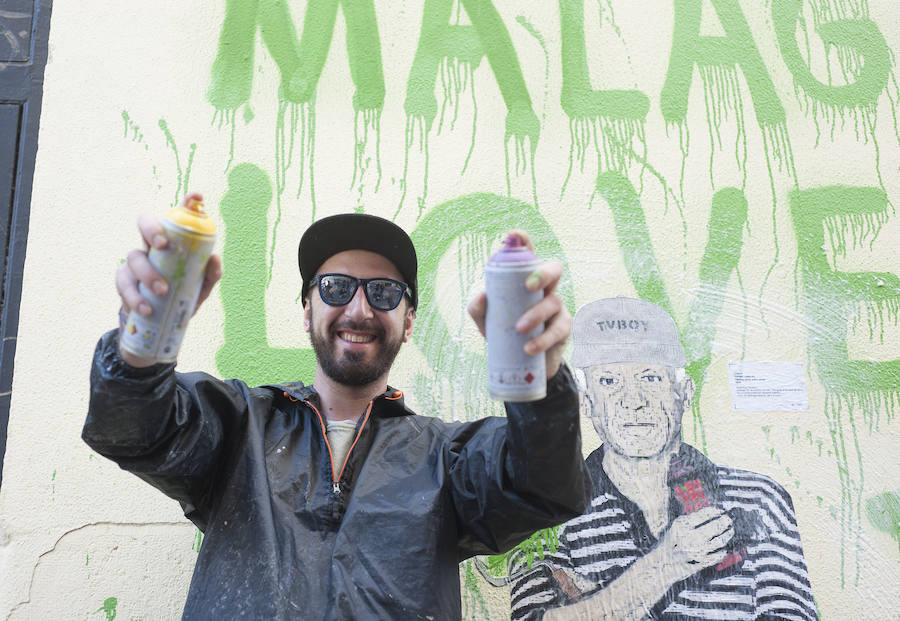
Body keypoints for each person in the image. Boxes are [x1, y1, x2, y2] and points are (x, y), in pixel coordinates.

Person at [83, 195, 589, 620]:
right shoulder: (240, 426)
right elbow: (134, 427)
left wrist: (540, 380)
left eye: (385, 293)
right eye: (336, 288)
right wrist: (141, 342)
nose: (359, 309)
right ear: (308, 311)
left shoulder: (447, 457)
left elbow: (543, 484)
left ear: (408, 322)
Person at [510, 297, 818, 620]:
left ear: (684, 392)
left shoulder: (760, 500)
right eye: (610, 381)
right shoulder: (543, 512)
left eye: (650, 377)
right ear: (586, 402)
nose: (633, 401)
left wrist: (596, 606)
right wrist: (666, 564)